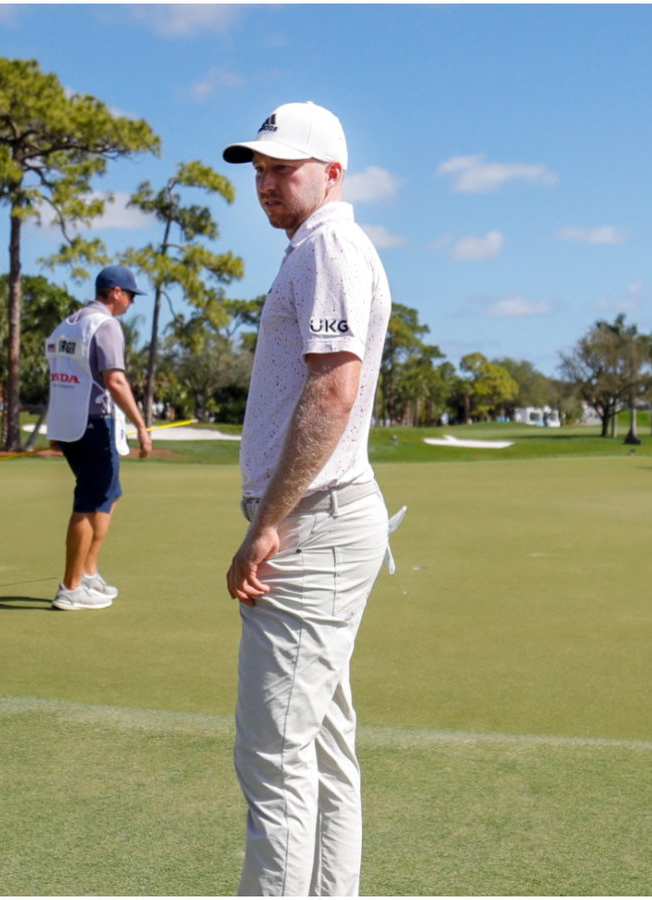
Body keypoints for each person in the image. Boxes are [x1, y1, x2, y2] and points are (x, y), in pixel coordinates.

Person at [221, 102, 393, 895]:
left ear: (332, 173)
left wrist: (267, 524)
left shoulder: (327, 245)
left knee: (273, 754)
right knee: (320, 747)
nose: (266, 183)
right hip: (325, 518)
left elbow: (332, 391)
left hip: (311, 525)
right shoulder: (319, 247)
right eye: (259, 169)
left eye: (282, 168)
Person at [43, 265, 153, 611]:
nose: (132, 303)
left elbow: (61, 377)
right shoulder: (106, 325)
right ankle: (70, 587)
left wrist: (55, 426)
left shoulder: (69, 323)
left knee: (110, 494)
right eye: (131, 296)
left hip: (71, 425)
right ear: (117, 293)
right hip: (94, 424)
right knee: (89, 503)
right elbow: (115, 381)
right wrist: (141, 425)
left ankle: (88, 572)